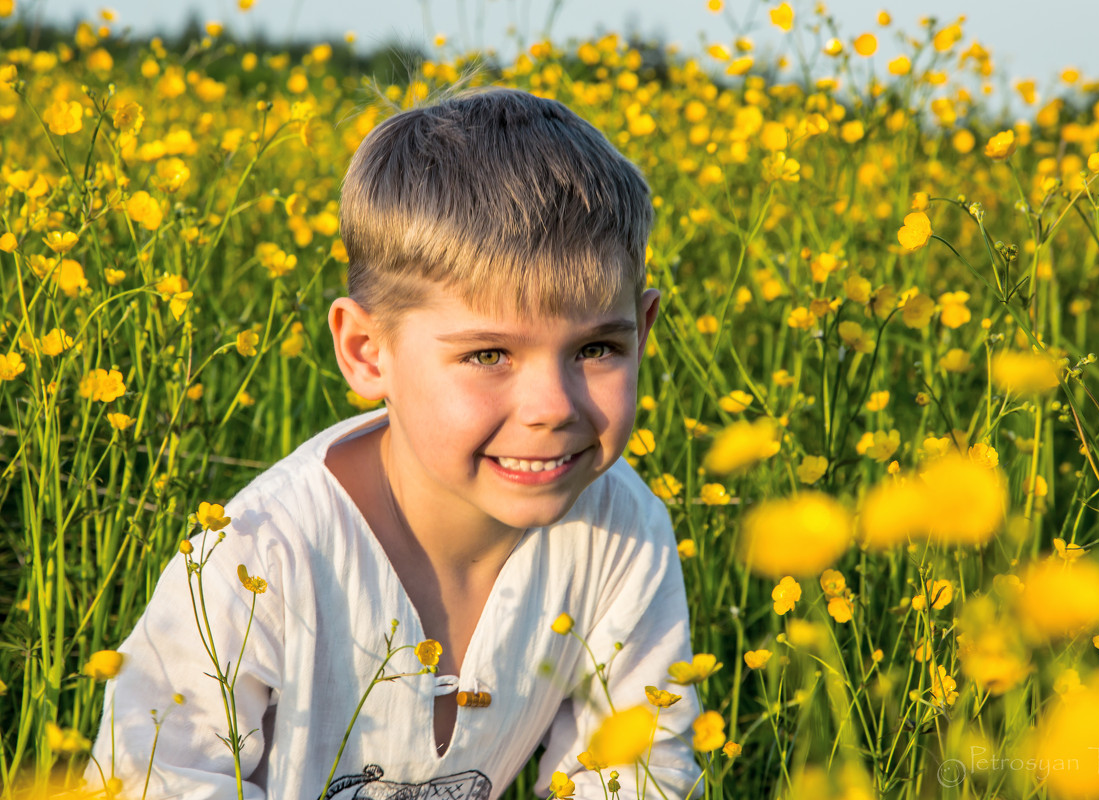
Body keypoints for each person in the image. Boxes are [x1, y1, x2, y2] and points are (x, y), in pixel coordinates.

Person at [90, 88, 701, 800]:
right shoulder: (260, 557)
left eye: (597, 348)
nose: (552, 408)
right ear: (366, 351)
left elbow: (632, 773)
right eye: (488, 356)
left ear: (646, 328)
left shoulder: (624, 534)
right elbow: (149, 780)